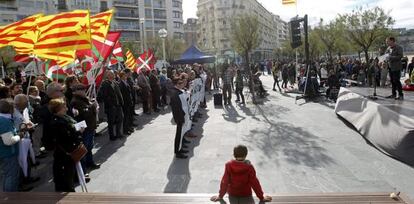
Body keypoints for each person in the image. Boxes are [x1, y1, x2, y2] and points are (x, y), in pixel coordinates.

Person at [48, 98, 84, 192]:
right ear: (58, 108)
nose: (66, 107)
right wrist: (78, 132)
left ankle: (69, 187)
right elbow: (66, 136)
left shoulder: (64, 117)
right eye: (64, 106)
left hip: (69, 150)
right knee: (65, 174)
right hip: (65, 152)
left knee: (70, 173)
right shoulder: (56, 122)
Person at [70, 84, 100, 171]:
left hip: (90, 126)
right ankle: (83, 169)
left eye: (83, 89)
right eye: (80, 89)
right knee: (84, 150)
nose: (83, 90)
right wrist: (92, 106)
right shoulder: (75, 101)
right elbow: (82, 114)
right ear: (75, 92)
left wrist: (92, 106)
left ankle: (90, 162)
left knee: (89, 147)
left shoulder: (84, 99)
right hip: (84, 128)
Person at [0, 99, 22, 192]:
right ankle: (10, 198)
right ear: (11, 109)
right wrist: (19, 136)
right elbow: (8, 141)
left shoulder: (3, 119)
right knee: (11, 176)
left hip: (5, 153)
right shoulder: (4, 121)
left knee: (7, 175)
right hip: (8, 153)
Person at [98, 70, 124, 141]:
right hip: (111, 107)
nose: (113, 75)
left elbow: (119, 94)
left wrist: (121, 102)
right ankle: (112, 136)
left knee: (120, 118)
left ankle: (118, 133)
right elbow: (105, 96)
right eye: (111, 74)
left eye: (113, 74)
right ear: (108, 75)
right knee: (111, 122)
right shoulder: (105, 84)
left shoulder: (115, 82)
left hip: (118, 105)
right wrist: (111, 104)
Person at [169, 77, 189, 159]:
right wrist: (181, 117)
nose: (183, 85)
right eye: (181, 83)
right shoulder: (175, 93)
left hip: (181, 116)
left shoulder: (177, 91)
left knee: (180, 134)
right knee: (178, 135)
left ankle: (180, 149)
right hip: (179, 117)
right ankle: (177, 152)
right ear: (177, 84)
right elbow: (176, 108)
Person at [117, 71, 134, 135]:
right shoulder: (120, 84)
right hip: (125, 103)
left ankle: (128, 127)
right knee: (125, 117)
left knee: (128, 116)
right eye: (124, 75)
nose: (125, 76)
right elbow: (122, 94)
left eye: (125, 75)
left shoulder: (125, 82)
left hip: (129, 101)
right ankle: (125, 130)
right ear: (121, 77)